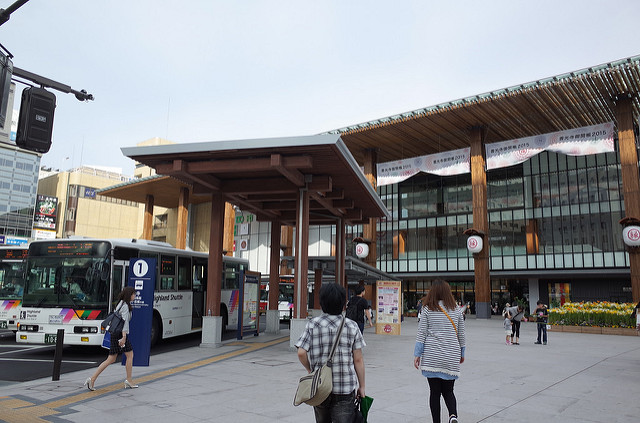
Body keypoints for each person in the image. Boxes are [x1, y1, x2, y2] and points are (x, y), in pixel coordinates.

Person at [296, 283, 365, 423]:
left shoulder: (312, 324)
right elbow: (358, 360)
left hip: (320, 387)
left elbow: (301, 353)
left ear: (322, 303)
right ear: (343, 303)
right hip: (345, 388)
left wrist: (310, 369)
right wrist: (362, 386)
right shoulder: (352, 326)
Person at [414, 280, 466, 423]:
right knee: (449, 391)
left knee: (435, 393)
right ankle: (453, 416)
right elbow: (461, 334)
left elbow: (421, 333)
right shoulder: (456, 309)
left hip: (432, 356)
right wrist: (462, 352)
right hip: (451, 355)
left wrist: (417, 354)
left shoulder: (427, 309)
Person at [84, 286, 138, 391]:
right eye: (133, 294)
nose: (135, 296)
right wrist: (124, 337)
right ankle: (129, 380)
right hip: (120, 335)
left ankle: (92, 379)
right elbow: (125, 323)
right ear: (129, 295)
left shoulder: (120, 303)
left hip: (114, 333)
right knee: (130, 355)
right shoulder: (125, 306)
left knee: (111, 358)